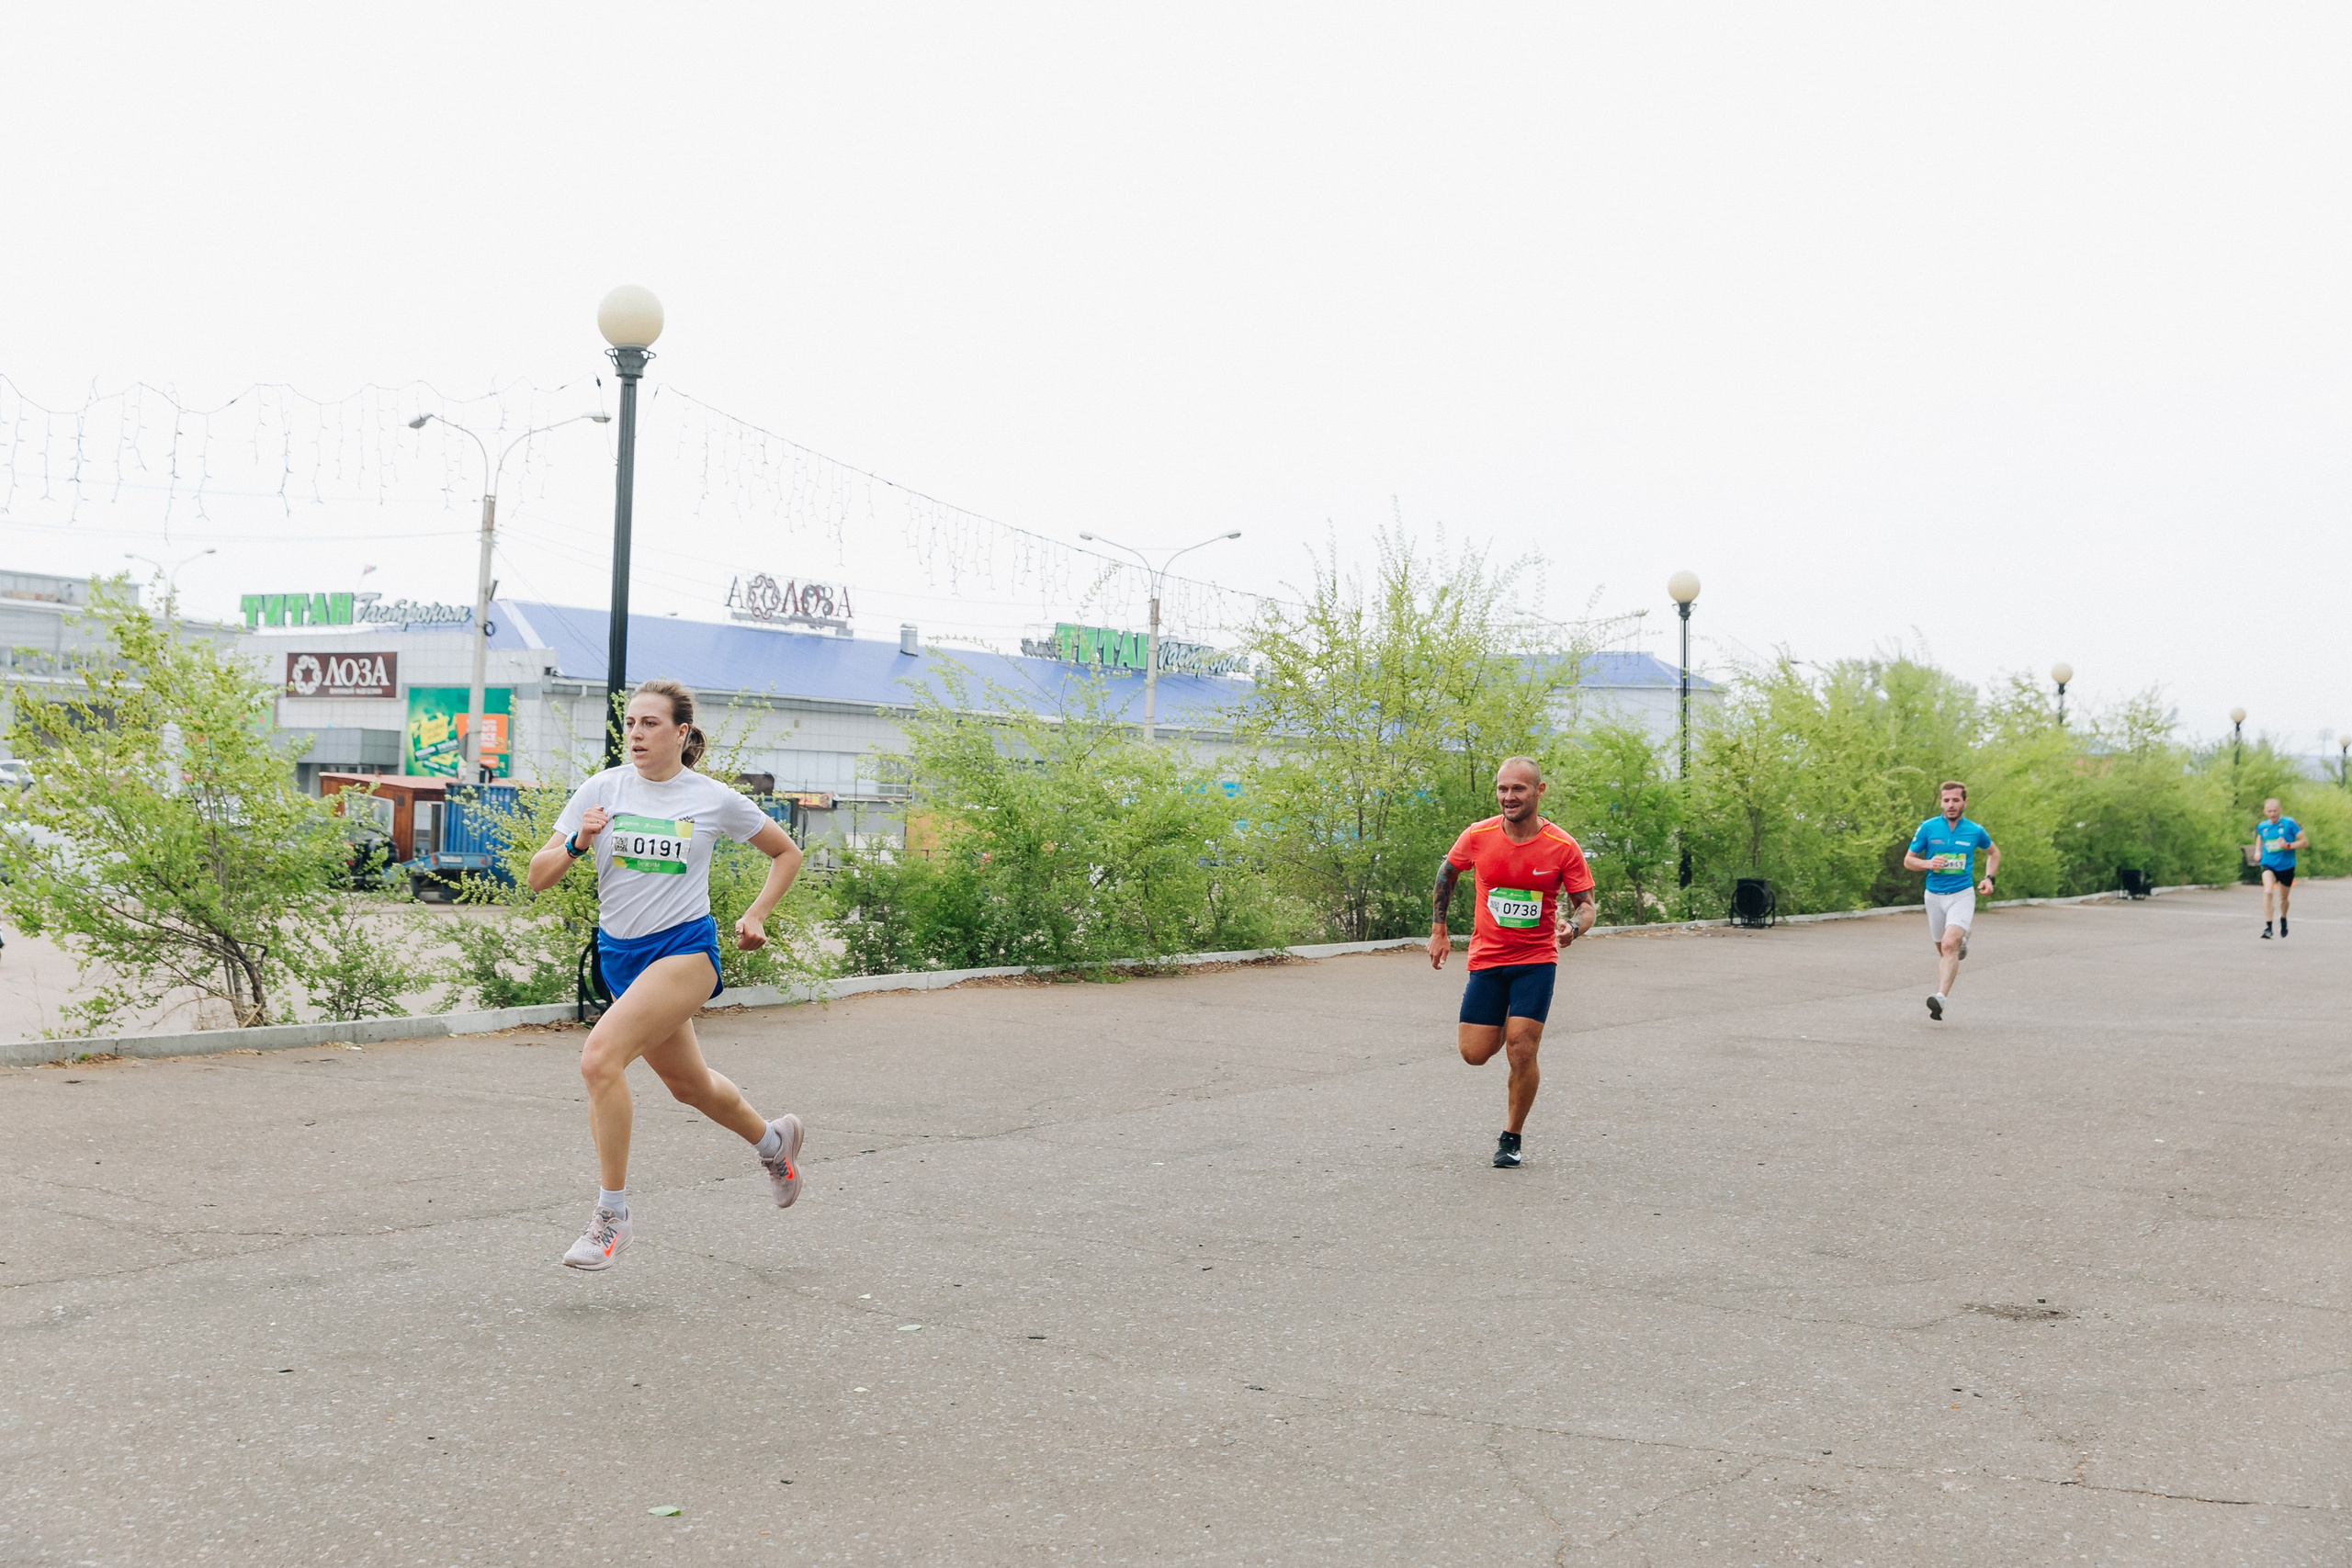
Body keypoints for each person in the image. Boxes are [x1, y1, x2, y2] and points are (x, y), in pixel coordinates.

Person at [528, 679, 808, 1271]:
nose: (635, 734)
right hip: (620, 958)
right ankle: (772, 1142)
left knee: (599, 1058)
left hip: (685, 951)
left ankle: (612, 1217)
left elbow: (787, 853)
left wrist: (756, 913)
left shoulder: (712, 799)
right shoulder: (601, 789)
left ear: (681, 733)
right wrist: (579, 842)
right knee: (691, 1086)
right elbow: (538, 875)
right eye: (630, 723)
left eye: (650, 724)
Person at [1427, 757, 1597, 1168]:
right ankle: (1506, 1020)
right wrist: (1439, 930)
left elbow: (1586, 905)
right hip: (1488, 958)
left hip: (1536, 960)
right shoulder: (1478, 835)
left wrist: (1572, 929)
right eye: (1503, 789)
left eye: (1518, 789)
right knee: (1474, 1053)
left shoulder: (1562, 846)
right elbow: (1446, 874)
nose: (1509, 797)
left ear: (1538, 792)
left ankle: (1511, 1136)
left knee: (1521, 1049)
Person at [1903, 781, 2000, 1021]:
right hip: (1933, 896)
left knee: (1948, 945)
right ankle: (1961, 942)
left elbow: (1994, 853)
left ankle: (1940, 998)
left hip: (1962, 894)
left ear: (1965, 802)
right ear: (1941, 802)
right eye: (1946, 800)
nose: (1951, 805)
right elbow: (1908, 860)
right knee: (1943, 949)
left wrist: (1989, 878)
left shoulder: (1975, 831)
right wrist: (1927, 863)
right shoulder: (1928, 828)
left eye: (1956, 800)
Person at [2255, 798, 2307, 939]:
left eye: (2275, 811)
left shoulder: (2289, 823)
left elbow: (2304, 842)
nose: (2272, 814)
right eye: (2269, 811)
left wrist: (2288, 845)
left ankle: (2283, 918)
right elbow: (2260, 837)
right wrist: (2257, 851)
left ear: (2280, 810)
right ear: (2264, 812)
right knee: (2268, 890)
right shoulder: (2262, 826)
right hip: (2268, 864)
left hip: (2286, 866)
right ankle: (2268, 927)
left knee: (2283, 899)